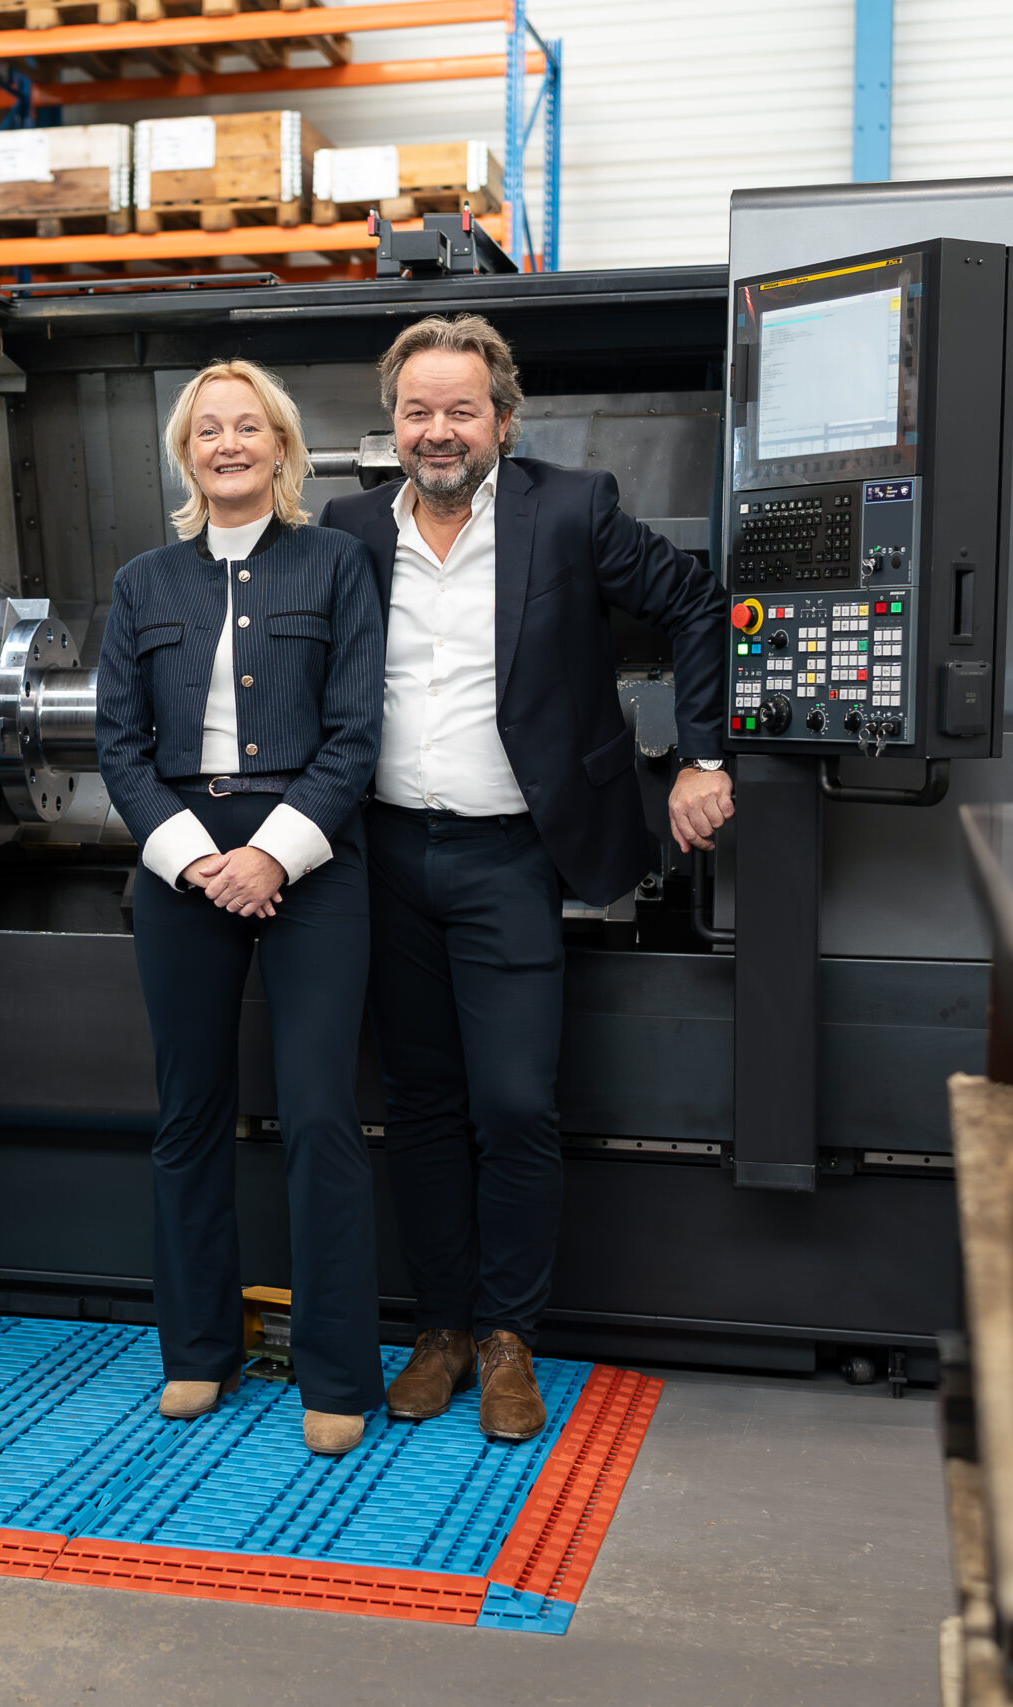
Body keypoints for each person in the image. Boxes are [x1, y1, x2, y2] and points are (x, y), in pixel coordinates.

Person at [316, 315, 733, 1442]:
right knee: (419, 1105)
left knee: (511, 1102)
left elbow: (696, 602)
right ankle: (441, 1330)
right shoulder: (349, 529)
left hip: (510, 855)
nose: (437, 431)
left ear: (502, 420)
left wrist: (702, 757)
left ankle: (508, 1336)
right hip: (383, 853)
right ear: (392, 424)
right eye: (417, 411)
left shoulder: (570, 508)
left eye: (461, 410)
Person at [95, 359, 388, 1457]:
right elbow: (119, 747)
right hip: (182, 859)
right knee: (188, 1114)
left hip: (311, 854)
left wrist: (272, 856)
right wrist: (194, 860)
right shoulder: (142, 584)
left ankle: (337, 1373)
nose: (228, 444)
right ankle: (196, 1352)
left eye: (247, 427)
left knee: (319, 1113)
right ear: (187, 453)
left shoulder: (336, 565)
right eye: (208, 429)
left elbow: (356, 734)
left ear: (281, 447)